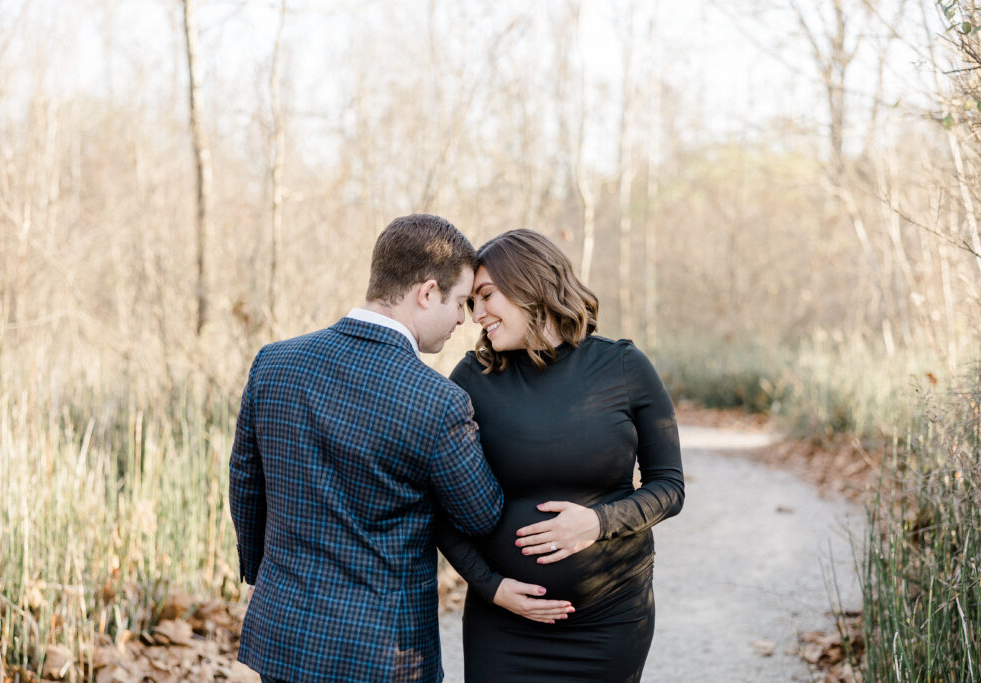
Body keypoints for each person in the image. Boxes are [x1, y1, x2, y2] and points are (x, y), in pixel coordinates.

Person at [229, 214, 506, 683]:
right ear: (426, 292)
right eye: (459, 302)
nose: (464, 318)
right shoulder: (437, 401)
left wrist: (265, 579)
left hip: (283, 633)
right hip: (382, 651)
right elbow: (481, 515)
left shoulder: (273, 363)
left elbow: (245, 487)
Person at [437, 229, 684, 682]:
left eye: (486, 296)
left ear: (530, 284)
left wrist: (599, 521)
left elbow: (669, 488)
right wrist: (492, 588)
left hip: (610, 620)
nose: (477, 315)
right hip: (504, 628)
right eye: (471, 302)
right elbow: (438, 503)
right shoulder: (472, 379)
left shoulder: (624, 367)